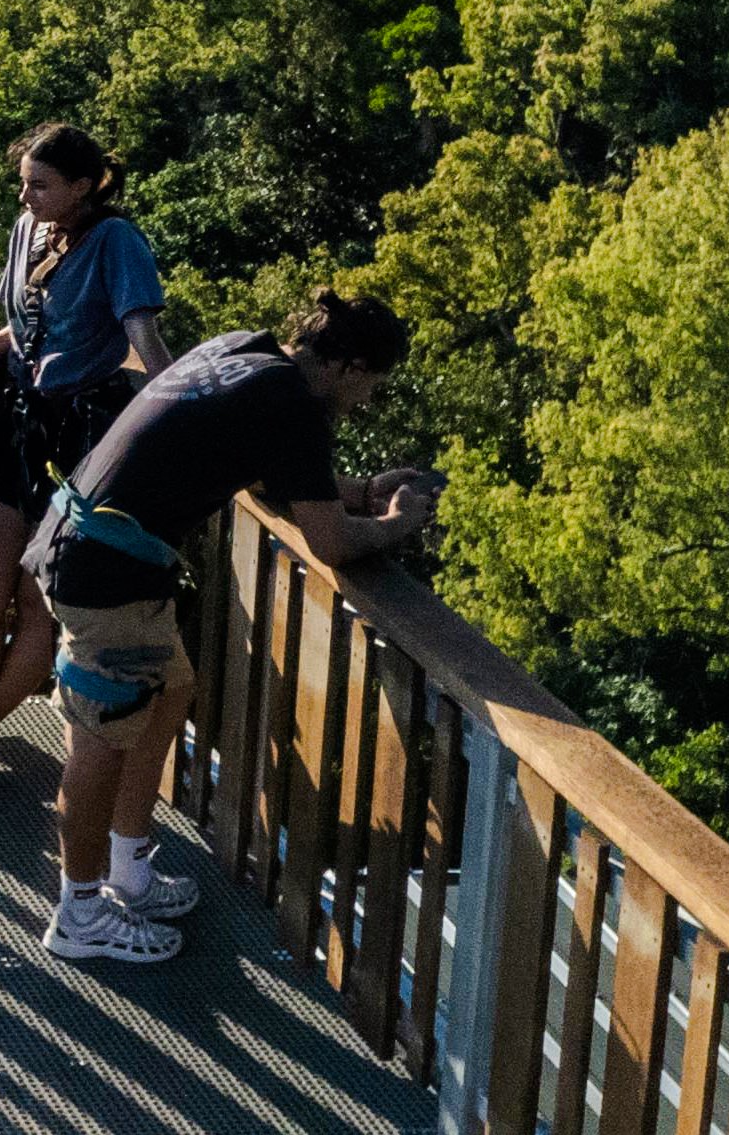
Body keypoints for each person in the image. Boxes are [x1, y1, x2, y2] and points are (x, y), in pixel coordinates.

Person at [33, 291, 437, 968]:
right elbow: (332, 543)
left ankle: (128, 866)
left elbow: (274, 475)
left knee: (172, 688)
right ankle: (78, 912)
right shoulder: (294, 407)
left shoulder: (244, 352)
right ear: (350, 367)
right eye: (372, 386)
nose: (367, 402)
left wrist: (364, 490)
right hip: (107, 572)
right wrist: (397, 525)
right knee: (101, 738)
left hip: (92, 541)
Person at [0, 125, 171, 799]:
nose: (27, 194)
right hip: (24, 423)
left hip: (85, 433)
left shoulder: (115, 241)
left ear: (83, 186)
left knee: (36, 600)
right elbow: (34, 323)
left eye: (41, 184)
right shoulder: (28, 231)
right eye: (24, 182)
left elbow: (141, 336)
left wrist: (178, 409)